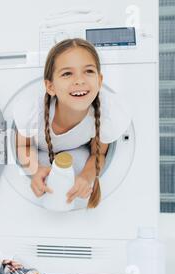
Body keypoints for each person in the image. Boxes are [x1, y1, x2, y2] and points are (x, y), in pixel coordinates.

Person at [14, 38, 131, 209]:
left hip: (75, 157)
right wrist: (35, 170)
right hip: (40, 156)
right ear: (50, 86)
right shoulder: (33, 110)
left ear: (99, 81)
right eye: (67, 73)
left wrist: (87, 177)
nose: (79, 80)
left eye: (88, 71)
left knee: (79, 160)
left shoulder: (106, 114)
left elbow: (97, 155)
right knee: (43, 164)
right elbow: (22, 147)